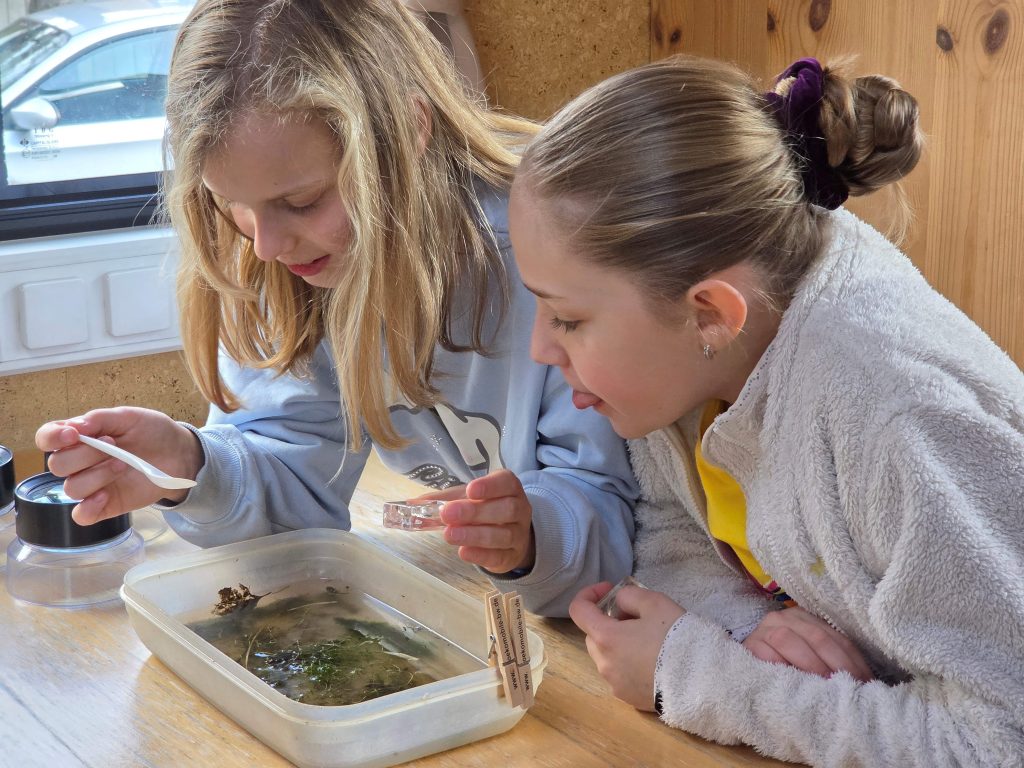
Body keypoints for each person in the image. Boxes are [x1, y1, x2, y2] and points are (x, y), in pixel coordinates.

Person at [35, 0, 639, 617]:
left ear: (409, 131)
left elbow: (623, 514)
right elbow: (296, 481)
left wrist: (535, 535)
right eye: (233, 204)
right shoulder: (288, 258)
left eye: (302, 200)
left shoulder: (551, 262)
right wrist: (191, 466)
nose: (267, 244)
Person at [510, 54, 1024, 765]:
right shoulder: (689, 360)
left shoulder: (898, 424)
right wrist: (752, 621)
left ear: (711, 314)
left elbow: (1000, 739)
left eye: (567, 319)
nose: (540, 349)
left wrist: (694, 675)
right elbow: (669, 527)